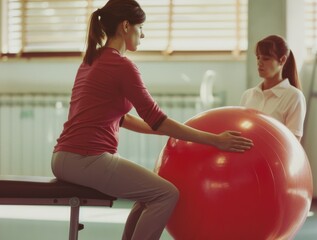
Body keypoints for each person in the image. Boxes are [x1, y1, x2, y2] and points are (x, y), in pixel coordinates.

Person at [51, 1, 253, 239]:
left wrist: (168, 131)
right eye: (140, 27)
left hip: (64, 157)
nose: (143, 34)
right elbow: (157, 118)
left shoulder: (91, 60)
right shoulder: (122, 65)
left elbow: (123, 119)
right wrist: (215, 140)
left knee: (149, 193)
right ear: (126, 26)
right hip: (86, 159)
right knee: (166, 194)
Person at [239, 35, 306, 141]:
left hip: (277, 157)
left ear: (282, 60)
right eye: (258, 57)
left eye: (266, 58)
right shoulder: (248, 95)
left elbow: (292, 144)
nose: (259, 63)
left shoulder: (294, 96)